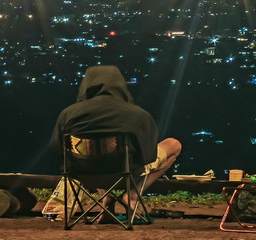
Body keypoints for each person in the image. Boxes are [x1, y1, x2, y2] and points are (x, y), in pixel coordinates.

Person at [50, 65, 181, 214]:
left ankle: (106, 199)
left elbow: (57, 150)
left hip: (83, 174)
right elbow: (147, 155)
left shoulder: (69, 114)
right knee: (174, 144)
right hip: (124, 173)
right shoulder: (137, 114)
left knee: (96, 157)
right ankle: (132, 195)